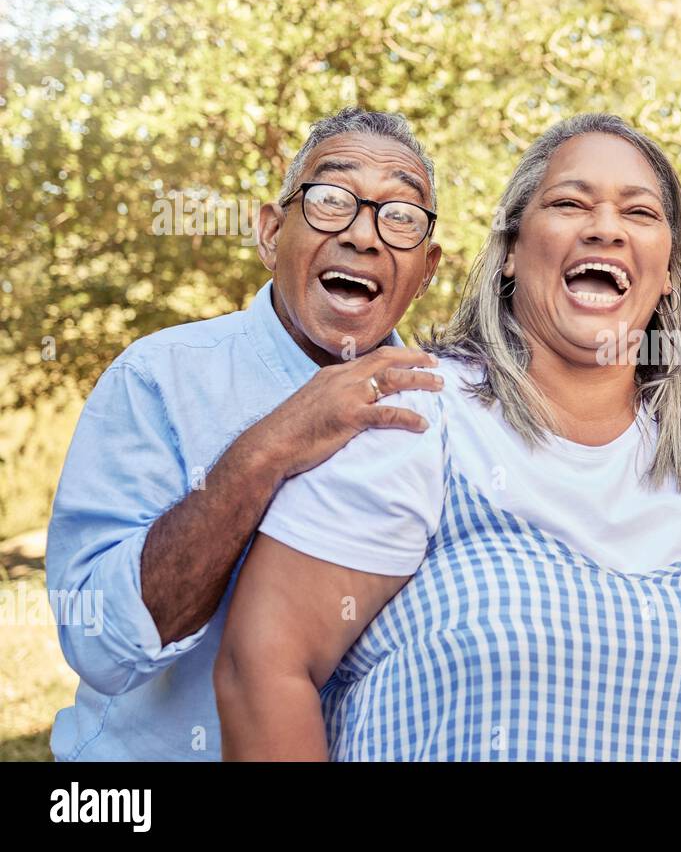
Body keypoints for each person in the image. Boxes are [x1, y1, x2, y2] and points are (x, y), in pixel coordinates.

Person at [214, 113, 681, 761]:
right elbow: (263, 667)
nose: (604, 227)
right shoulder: (418, 420)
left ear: (668, 272)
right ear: (512, 253)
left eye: (638, 213)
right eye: (570, 203)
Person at [44, 108, 445, 760]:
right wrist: (271, 446)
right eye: (330, 199)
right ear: (270, 232)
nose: (364, 236)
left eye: (399, 216)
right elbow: (100, 647)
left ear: (426, 270)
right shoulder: (159, 377)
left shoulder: (448, 411)